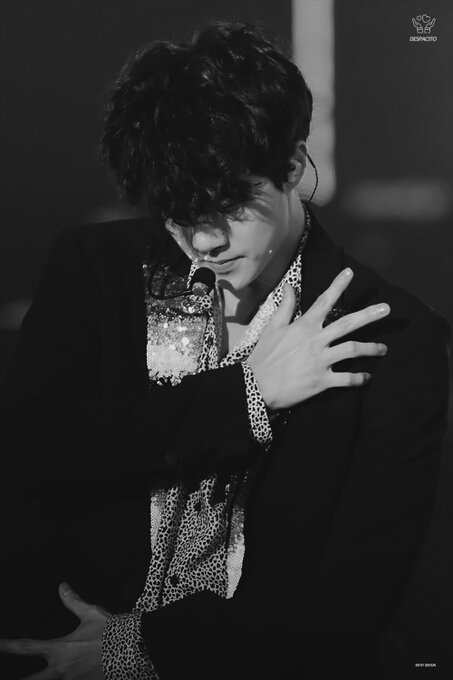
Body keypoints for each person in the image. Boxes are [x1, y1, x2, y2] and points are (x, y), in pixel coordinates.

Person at [0, 21, 449, 680]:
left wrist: (141, 649)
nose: (205, 241)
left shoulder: (390, 332)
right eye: (180, 213)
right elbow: (30, 453)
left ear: (291, 165)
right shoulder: (97, 268)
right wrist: (244, 398)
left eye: (230, 205)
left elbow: (356, 593)